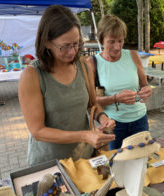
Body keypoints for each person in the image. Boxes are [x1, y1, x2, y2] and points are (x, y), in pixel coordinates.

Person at [18, 5, 115, 166]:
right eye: (64, 46)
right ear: (47, 42)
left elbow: (92, 104)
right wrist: (84, 135)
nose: (72, 52)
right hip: (49, 164)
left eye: (76, 44)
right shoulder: (32, 76)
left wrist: (103, 118)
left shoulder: (83, 66)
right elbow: (38, 131)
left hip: (83, 157)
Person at [86, 15, 151, 150]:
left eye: (120, 41)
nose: (117, 46)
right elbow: (90, 101)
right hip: (113, 124)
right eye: (111, 41)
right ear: (102, 40)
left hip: (140, 121)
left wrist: (146, 91)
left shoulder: (132, 56)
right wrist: (115, 98)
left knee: (141, 162)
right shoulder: (92, 63)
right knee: (115, 164)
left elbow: (144, 84)